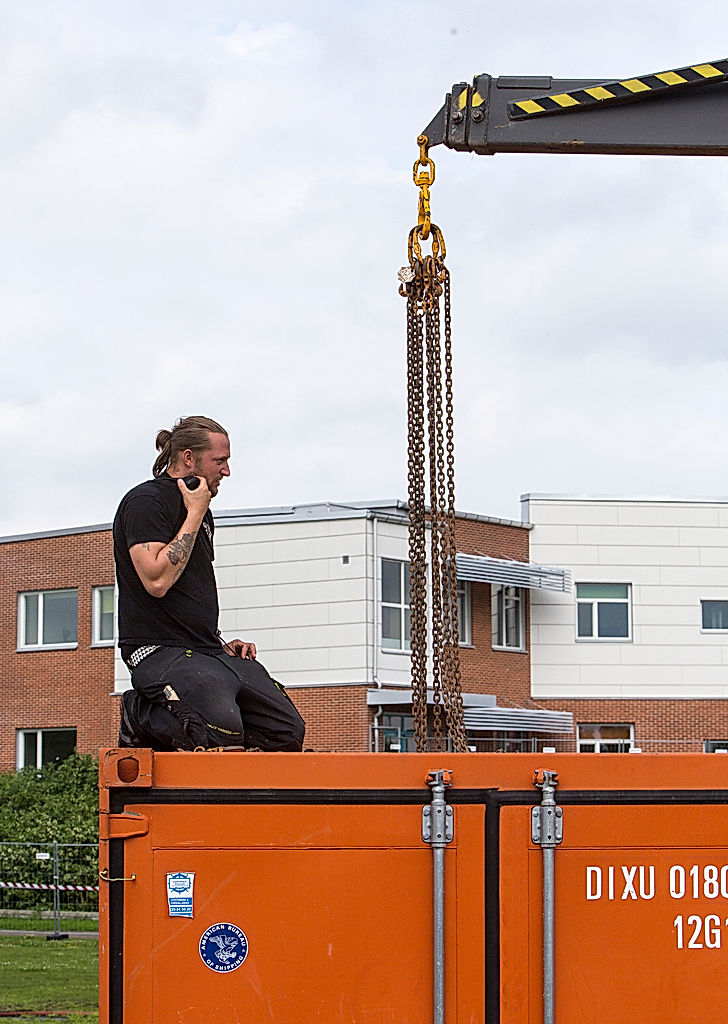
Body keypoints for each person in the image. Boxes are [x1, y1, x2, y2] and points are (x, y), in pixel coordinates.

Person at [113, 415, 305, 752]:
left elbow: (190, 591)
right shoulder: (146, 502)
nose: (227, 471)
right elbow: (156, 580)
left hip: (205, 650)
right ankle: (140, 712)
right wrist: (195, 512)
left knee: (286, 731)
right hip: (155, 650)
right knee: (220, 727)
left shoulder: (202, 514)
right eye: (220, 461)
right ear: (189, 458)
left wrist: (218, 643)